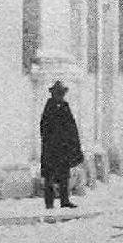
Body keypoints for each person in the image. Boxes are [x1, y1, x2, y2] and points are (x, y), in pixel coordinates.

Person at [39, 80, 84, 209]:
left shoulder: (65, 106)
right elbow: (44, 127)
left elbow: (71, 127)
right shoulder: (49, 107)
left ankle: (64, 200)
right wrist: (52, 140)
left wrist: (72, 144)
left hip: (63, 149)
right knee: (49, 176)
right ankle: (49, 202)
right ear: (53, 93)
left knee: (64, 175)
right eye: (58, 93)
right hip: (51, 149)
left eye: (61, 93)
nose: (60, 95)